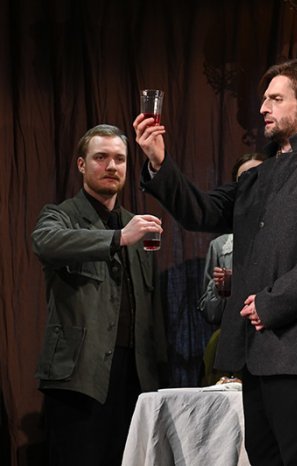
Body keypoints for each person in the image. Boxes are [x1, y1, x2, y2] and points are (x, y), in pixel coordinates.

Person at [134, 58, 297, 465]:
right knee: (264, 458)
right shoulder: (258, 177)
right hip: (256, 352)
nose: (263, 107)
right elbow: (201, 212)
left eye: (276, 99)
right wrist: (159, 162)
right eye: (264, 99)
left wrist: (270, 303)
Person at [31, 124, 168, 466]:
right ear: (81, 164)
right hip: (80, 377)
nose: (111, 166)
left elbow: (152, 307)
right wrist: (118, 237)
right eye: (101, 157)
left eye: (119, 159)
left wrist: (159, 373)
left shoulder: (136, 225)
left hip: (135, 376)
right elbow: (45, 242)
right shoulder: (61, 215)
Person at [197, 152, 266, 386]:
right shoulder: (221, 246)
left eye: (259, 176)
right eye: (244, 179)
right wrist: (221, 291)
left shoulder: (289, 236)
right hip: (234, 351)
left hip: (277, 349)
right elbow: (210, 313)